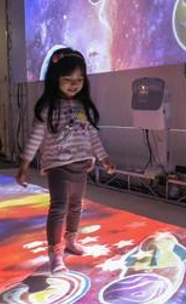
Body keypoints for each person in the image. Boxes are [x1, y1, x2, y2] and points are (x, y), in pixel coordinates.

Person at [16, 48, 115, 273]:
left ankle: (71, 240)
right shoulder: (48, 108)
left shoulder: (81, 107)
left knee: (76, 206)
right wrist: (23, 166)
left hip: (81, 164)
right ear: (55, 79)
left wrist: (104, 157)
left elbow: (91, 134)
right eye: (68, 79)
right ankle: (55, 252)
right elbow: (35, 138)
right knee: (59, 207)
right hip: (58, 166)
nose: (74, 84)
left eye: (79, 79)